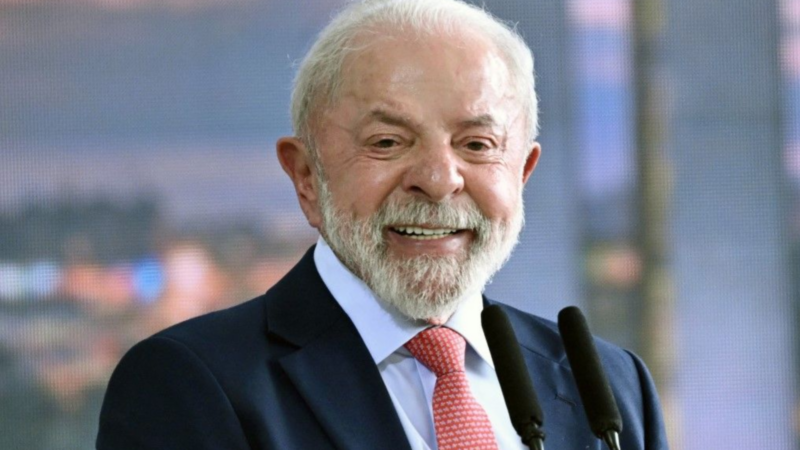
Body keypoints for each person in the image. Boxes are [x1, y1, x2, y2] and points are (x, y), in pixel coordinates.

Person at [96, 1, 669, 449]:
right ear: (306, 176)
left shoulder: (610, 386)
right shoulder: (190, 384)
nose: (439, 180)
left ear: (522, 173)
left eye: (476, 144)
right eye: (388, 142)